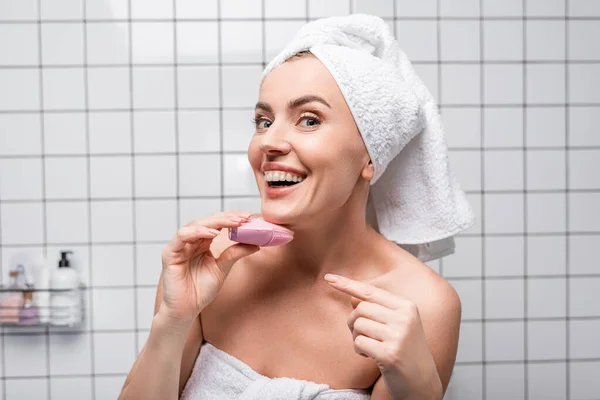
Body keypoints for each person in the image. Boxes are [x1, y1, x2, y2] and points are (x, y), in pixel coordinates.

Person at [119, 14, 472, 400]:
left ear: (370, 156)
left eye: (308, 119)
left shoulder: (422, 307)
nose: (269, 141)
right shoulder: (216, 261)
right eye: (263, 120)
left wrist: (418, 388)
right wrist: (172, 322)